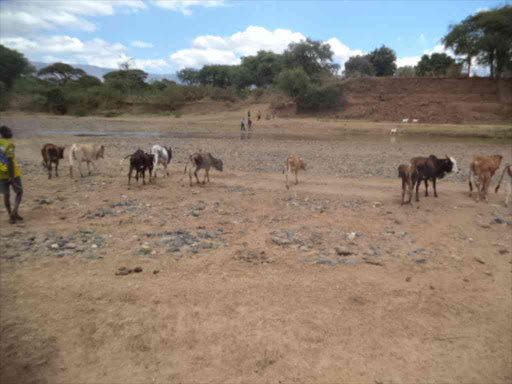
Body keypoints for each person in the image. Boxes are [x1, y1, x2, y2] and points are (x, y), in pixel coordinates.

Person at [0, 126, 23, 224]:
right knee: (19, 192)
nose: (11, 132)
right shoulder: (9, 145)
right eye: (9, 131)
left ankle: (11, 215)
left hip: (1, 174)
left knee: (6, 195)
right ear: (4, 133)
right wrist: (11, 176)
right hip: (12, 173)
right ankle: (14, 212)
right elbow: (9, 161)